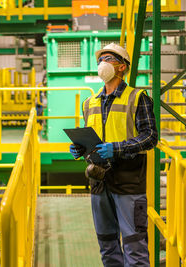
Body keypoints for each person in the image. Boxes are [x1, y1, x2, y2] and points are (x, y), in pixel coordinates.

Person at [70, 43, 158, 267]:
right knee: (107, 244)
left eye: (108, 59)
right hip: (99, 182)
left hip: (128, 183)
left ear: (122, 67)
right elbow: (94, 139)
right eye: (101, 59)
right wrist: (80, 149)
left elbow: (150, 137)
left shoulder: (138, 98)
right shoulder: (89, 103)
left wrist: (117, 148)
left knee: (134, 244)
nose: (102, 63)